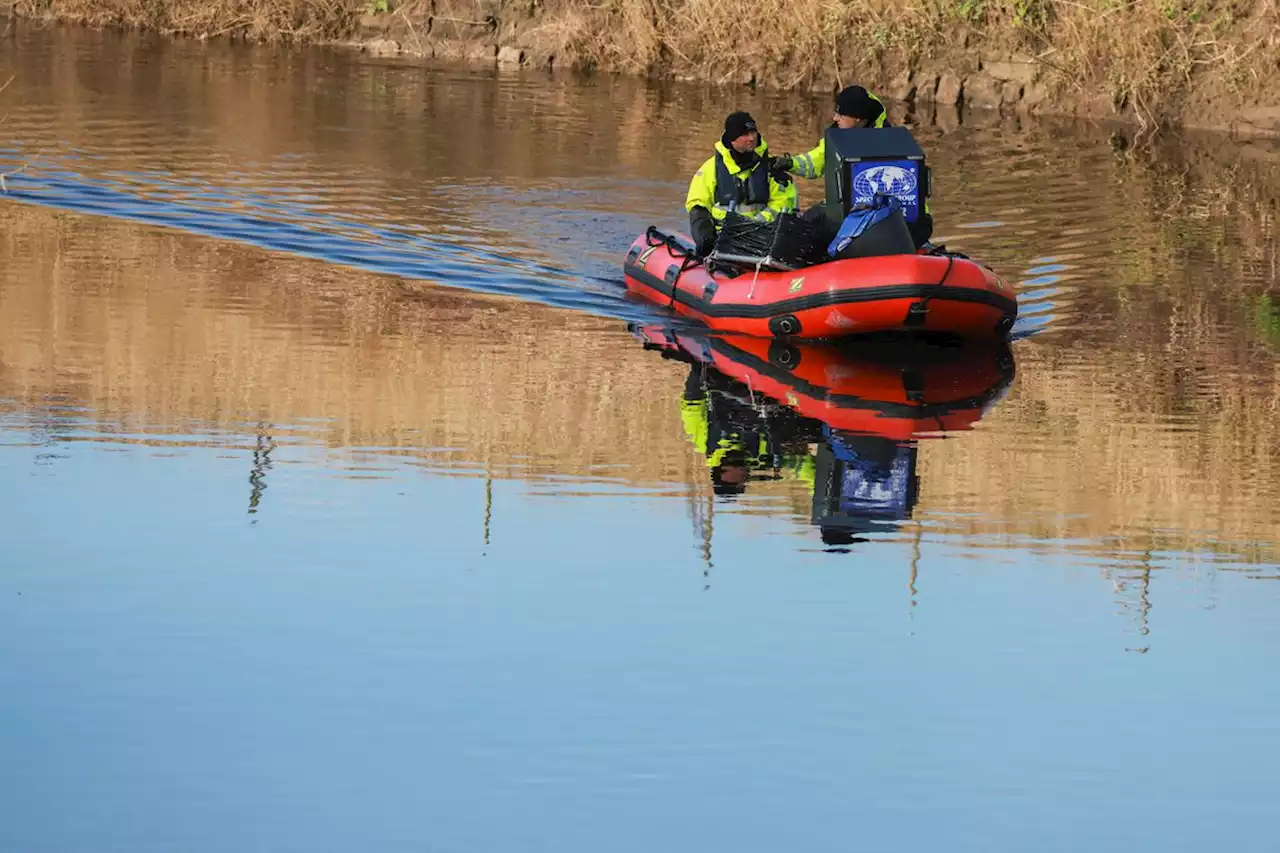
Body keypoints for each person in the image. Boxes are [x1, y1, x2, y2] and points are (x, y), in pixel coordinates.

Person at [778, 85, 934, 248]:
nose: (835, 118)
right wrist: (790, 163)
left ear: (858, 118)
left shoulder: (891, 141)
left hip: (902, 221)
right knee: (810, 218)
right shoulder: (837, 136)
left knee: (819, 221)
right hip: (869, 217)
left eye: (841, 114)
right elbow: (814, 162)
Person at [686, 111, 798, 258]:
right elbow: (697, 205)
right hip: (722, 242)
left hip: (762, 242)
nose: (751, 138)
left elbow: (785, 203)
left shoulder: (772, 168)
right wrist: (705, 236)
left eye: (753, 132)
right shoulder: (710, 169)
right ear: (732, 139)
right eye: (745, 134)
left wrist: (753, 225)